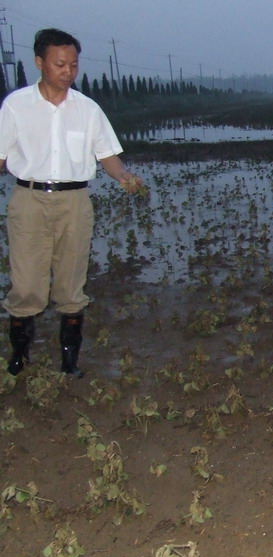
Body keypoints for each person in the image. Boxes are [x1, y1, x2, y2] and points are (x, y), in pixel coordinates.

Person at [0, 28, 144, 377]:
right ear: (40, 63)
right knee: (26, 285)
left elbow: (107, 156)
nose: (68, 72)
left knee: (71, 283)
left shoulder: (88, 109)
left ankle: (69, 362)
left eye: (74, 65)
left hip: (75, 202)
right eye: (60, 64)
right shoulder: (16, 105)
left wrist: (125, 176)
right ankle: (19, 357)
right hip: (28, 199)